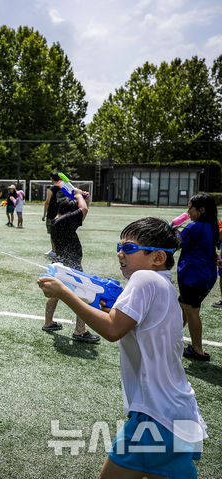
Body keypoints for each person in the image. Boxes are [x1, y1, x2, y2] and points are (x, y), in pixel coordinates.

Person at [38, 217, 207, 479]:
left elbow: (112, 330)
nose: (120, 253)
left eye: (128, 248)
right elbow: (127, 324)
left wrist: (64, 292)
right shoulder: (163, 285)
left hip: (155, 416)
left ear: (158, 257)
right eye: (119, 247)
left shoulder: (143, 279)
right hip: (176, 412)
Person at [40, 188, 100, 343]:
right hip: (71, 266)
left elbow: (82, 210)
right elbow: (83, 210)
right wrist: (79, 195)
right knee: (83, 295)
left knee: (55, 295)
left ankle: (48, 322)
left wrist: (83, 199)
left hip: (61, 263)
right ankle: (80, 331)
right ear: (69, 212)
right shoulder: (65, 221)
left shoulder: (57, 220)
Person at [177, 193, 219, 361]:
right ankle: (172, 337)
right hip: (207, 276)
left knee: (191, 310)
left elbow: (176, 243)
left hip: (192, 276)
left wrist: (172, 228)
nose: (187, 212)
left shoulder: (193, 227)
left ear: (201, 210)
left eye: (190, 208)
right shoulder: (212, 226)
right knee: (183, 306)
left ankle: (198, 349)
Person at [42, 172, 62, 259]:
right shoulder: (63, 187)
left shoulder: (51, 189)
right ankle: (60, 250)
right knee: (60, 233)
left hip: (52, 214)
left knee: (52, 233)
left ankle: (54, 250)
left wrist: (44, 214)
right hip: (62, 213)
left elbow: (47, 202)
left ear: (52, 179)